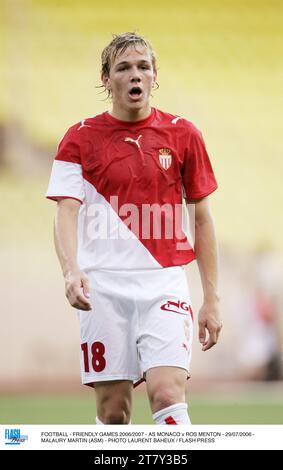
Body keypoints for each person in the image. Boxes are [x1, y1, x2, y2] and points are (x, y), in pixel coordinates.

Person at [45, 32, 222, 425]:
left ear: (155, 75)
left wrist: (211, 297)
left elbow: (203, 218)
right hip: (103, 287)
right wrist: (71, 271)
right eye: (123, 68)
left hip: (163, 283)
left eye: (143, 66)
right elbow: (65, 212)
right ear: (106, 79)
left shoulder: (183, 135)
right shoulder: (78, 138)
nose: (135, 75)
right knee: (113, 412)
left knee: (167, 393)